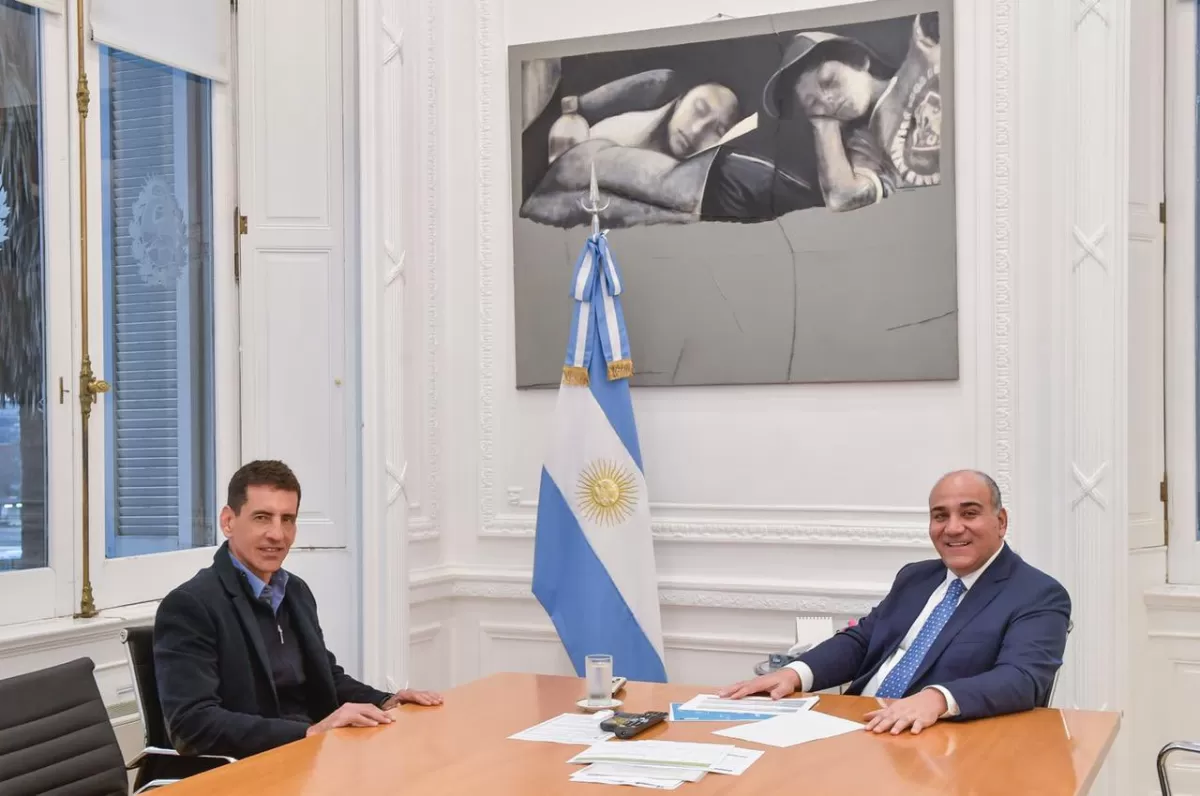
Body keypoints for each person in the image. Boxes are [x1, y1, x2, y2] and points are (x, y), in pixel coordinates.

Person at [718, 470, 1070, 735]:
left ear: (1001, 521)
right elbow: (862, 642)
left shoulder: (1037, 593)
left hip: (936, 743)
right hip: (856, 724)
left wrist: (937, 699)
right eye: (940, 516)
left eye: (969, 513)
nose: (953, 528)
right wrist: (793, 674)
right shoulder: (915, 577)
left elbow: (1022, 679)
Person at [153, 460, 443, 759]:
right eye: (263, 518)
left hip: (309, 758)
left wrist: (387, 701)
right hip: (248, 769)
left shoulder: (295, 591)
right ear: (228, 521)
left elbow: (326, 678)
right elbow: (193, 724)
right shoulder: (190, 605)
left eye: (287, 519)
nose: (278, 534)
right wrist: (308, 733)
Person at [762, 13, 942, 212]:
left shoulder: (922, 51)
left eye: (830, 81)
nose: (827, 101)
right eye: (812, 104)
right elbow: (842, 197)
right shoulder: (866, 144)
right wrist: (823, 125)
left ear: (860, 61)